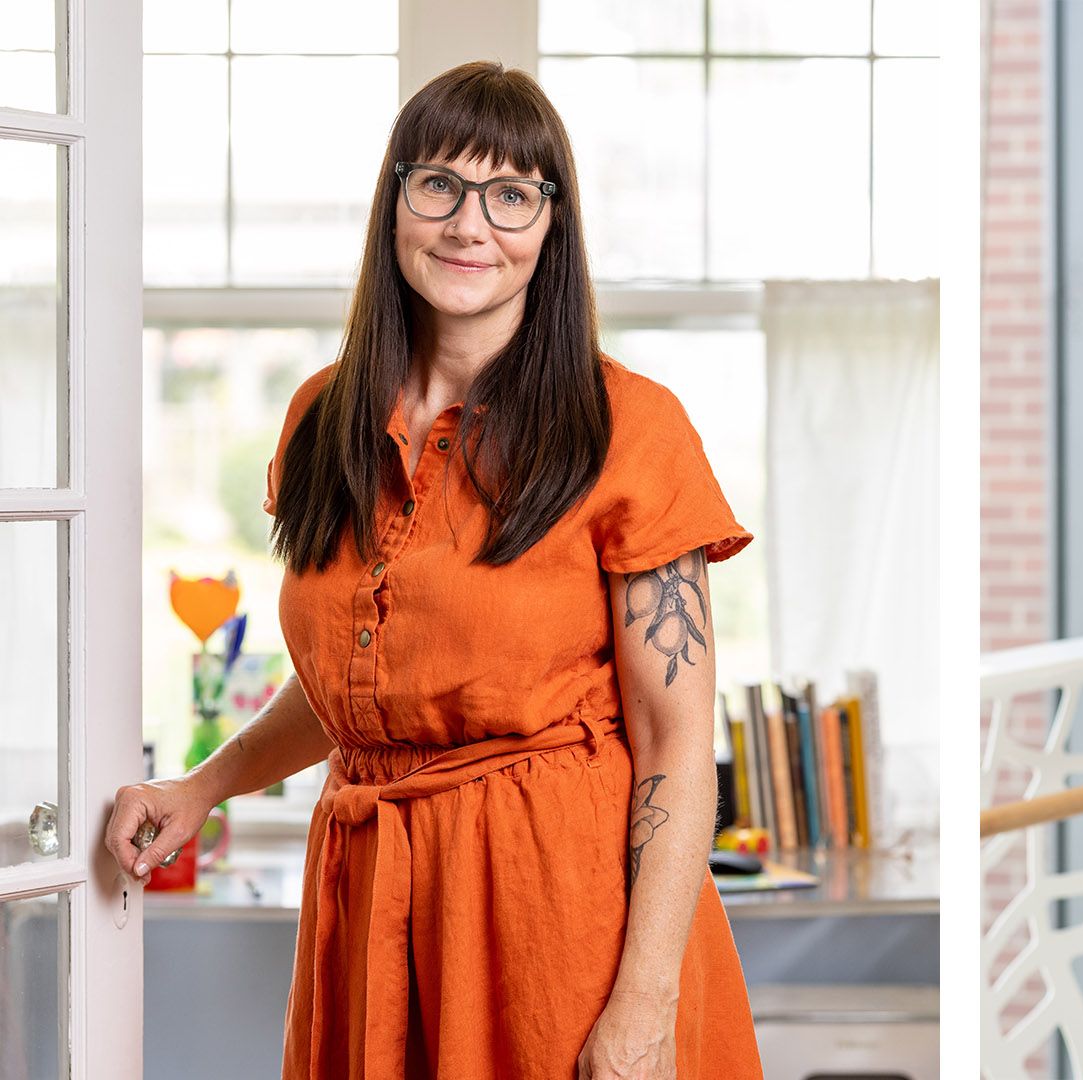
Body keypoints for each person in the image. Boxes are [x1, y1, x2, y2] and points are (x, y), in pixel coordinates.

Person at [105, 62, 762, 1079]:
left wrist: (644, 1002)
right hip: (371, 901)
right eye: (440, 186)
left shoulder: (631, 428)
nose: (470, 225)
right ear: (396, 201)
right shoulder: (323, 417)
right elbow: (362, 685)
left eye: (511, 195)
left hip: (558, 920)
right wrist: (205, 786)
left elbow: (676, 736)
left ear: (552, 226)